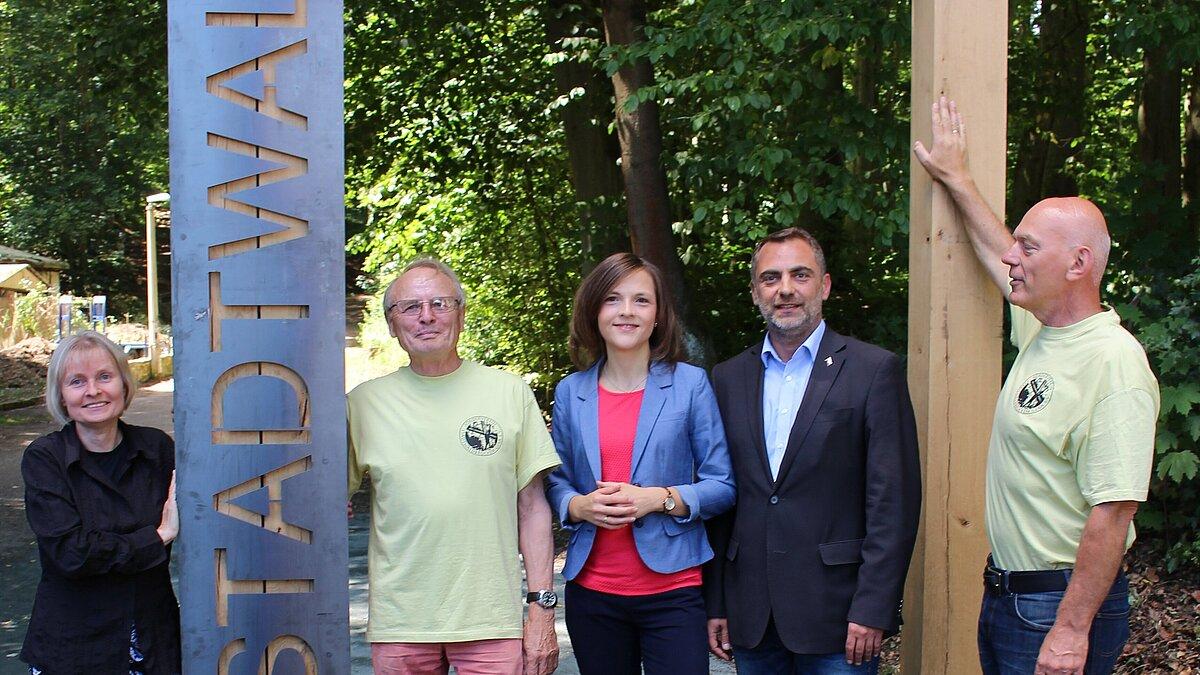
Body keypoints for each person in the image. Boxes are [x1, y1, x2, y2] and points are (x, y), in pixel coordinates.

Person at [914, 96, 1159, 675]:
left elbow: (1114, 510)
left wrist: (1071, 631)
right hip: (1010, 595)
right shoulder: (1045, 330)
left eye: (1029, 247)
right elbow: (995, 253)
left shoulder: (1113, 362)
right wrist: (956, 177)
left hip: (1059, 605)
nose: (1012, 257)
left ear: (1077, 264)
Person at [704, 228, 922, 674]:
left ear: (823, 285)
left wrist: (874, 608)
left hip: (840, 618)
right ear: (754, 292)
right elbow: (722, 501)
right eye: (770, 278)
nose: (785, 289)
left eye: (799, 274)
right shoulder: (727, 378)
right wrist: (717, 603)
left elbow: (893, 502)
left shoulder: (872, 370)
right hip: (752, 616)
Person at [347, 257, 562, 675]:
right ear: (392, 325)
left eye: (440, 304)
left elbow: (533, 508)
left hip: (490, 620)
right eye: (410, 307)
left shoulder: (509, 392)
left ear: (461, 315)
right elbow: (325, 498)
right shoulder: (362, 404)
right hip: (400, 624)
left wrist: (541, 609)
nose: (426, 317)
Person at [545, 252, 736, 675]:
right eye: (613, 299)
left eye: (641, 300)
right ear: (595, 310)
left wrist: (661, 499)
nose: (627, 312)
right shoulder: (570, 392)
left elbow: (722, 484)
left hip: (673, 591)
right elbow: (556, 482)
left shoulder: (690, 385)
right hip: (593, 594)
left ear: (658, 315)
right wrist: (578, 507)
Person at [21, 330, 180, 674]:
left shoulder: (157, 449)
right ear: (61, 396)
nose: (93, 391)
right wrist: (157, 537)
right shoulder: (45, 459)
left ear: (123, 384)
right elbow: (71, 553)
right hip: (73, 647)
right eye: (77, 382)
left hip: (152, 640)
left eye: (104, 377)